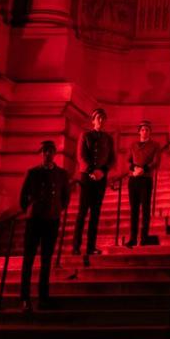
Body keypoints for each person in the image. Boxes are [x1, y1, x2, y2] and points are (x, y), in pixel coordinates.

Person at [19, 140, 70, 312]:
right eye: (44, 151)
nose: (47, 154)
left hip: (51, 220)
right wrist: (30, 210)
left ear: (54, 153)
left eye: (49, 151)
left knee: (46, 260)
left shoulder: (62, 174)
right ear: (41, 154)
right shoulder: (32, 173)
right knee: (28, 259)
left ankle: (43, 297)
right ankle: (25, 297)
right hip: (34, 220)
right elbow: (23, 197)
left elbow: (65, 198)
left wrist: (55, 210)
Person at [73, 108, 114, 265]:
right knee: (82, 211)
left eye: (103, 118)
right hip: (87, 177)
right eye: (98, 118)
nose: (101, 121)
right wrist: (91, 170)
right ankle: (76, 246)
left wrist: (102, 171)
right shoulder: (85, 135)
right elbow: (81, 155)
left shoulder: (108, 139)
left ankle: (90, 246)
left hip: (101, 178)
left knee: (95, 213)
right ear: (93, 120)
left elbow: (111, 158)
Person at [126, 121, 162, 248]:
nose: (145, 132)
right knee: (134, 210)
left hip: (146, 179)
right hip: (134, 179)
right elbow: (128, 160)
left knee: (145, 210)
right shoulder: (133, 145)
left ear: (150, 132)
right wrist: (133, 169)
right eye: (142, 129)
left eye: (147, 129)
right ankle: (133, 238)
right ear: (139, 132)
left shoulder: (155, 145)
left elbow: (156, 162)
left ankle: (144, 237)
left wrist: (144, 169)